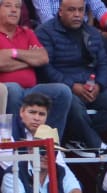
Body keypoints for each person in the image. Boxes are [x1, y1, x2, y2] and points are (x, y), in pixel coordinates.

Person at [38, 0, 107, 154]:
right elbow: (46, 69)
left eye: (80, 10)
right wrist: (72, 86)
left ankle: (77, 138)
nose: (77, 14)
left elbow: (103, 64)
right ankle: (95, 144)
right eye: (71, 10)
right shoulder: (45, 32)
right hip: (64, 88)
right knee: (74, 106)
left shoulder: (91, 32)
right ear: (60, 11)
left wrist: (99, 85)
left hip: (89, 86)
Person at [0, 0, 73, 137]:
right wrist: (30, 60)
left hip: (31, 89)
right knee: (14, 89)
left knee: (62, 91)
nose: (14, 10)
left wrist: (13, 53)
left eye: (17, 7)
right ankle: (16, 143)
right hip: (6, 88)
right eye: (8, 6)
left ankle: (49, 142)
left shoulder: (27, 33)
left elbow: (43, 58)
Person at [2, 124, 82, 193]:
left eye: (53, 152)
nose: (47, 156)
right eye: (43, 151)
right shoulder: (13, 173)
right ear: (30, 149)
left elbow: (76, 191)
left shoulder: (61, 170)